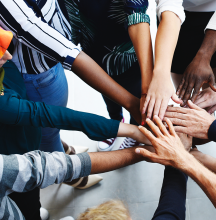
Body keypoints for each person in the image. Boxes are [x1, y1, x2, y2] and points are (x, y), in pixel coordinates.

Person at [0, 11, 150, 219]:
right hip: (13, 156)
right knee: (26, 198)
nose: (9, 56)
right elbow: (52, 117)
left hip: (23, 136)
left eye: (4, 47)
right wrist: (131, 131)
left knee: (32, 196)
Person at [0, 0, 144, 154]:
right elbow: (65, 118)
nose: (9, 56)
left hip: (46, 71)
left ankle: (65, 150)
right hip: (39, 79)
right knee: (48, 135)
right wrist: (132, 128)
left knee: (48, 131)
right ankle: (73, 176)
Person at [64, 0, 153, 151]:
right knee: (109, 97)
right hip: (92, 53)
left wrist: (149, 83)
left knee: (138, 99)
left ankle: (134, 130)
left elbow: (137, 13)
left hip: (127, 54)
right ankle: (116, 123)